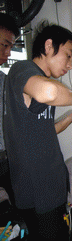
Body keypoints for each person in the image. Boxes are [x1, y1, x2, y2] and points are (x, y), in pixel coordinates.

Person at [3, 21, 72, 241]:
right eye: (68, 55)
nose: (69, 65)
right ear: (48, 46)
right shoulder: (23, 70)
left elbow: (46, 130)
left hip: (50, 189)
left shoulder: (39, 81)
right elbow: (48, 92)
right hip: (39, 193)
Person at [0, 12, 20, 204]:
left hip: (5, 160)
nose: (8, 53)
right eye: (4, 45)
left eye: (10, 47)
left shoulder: (5, 81)